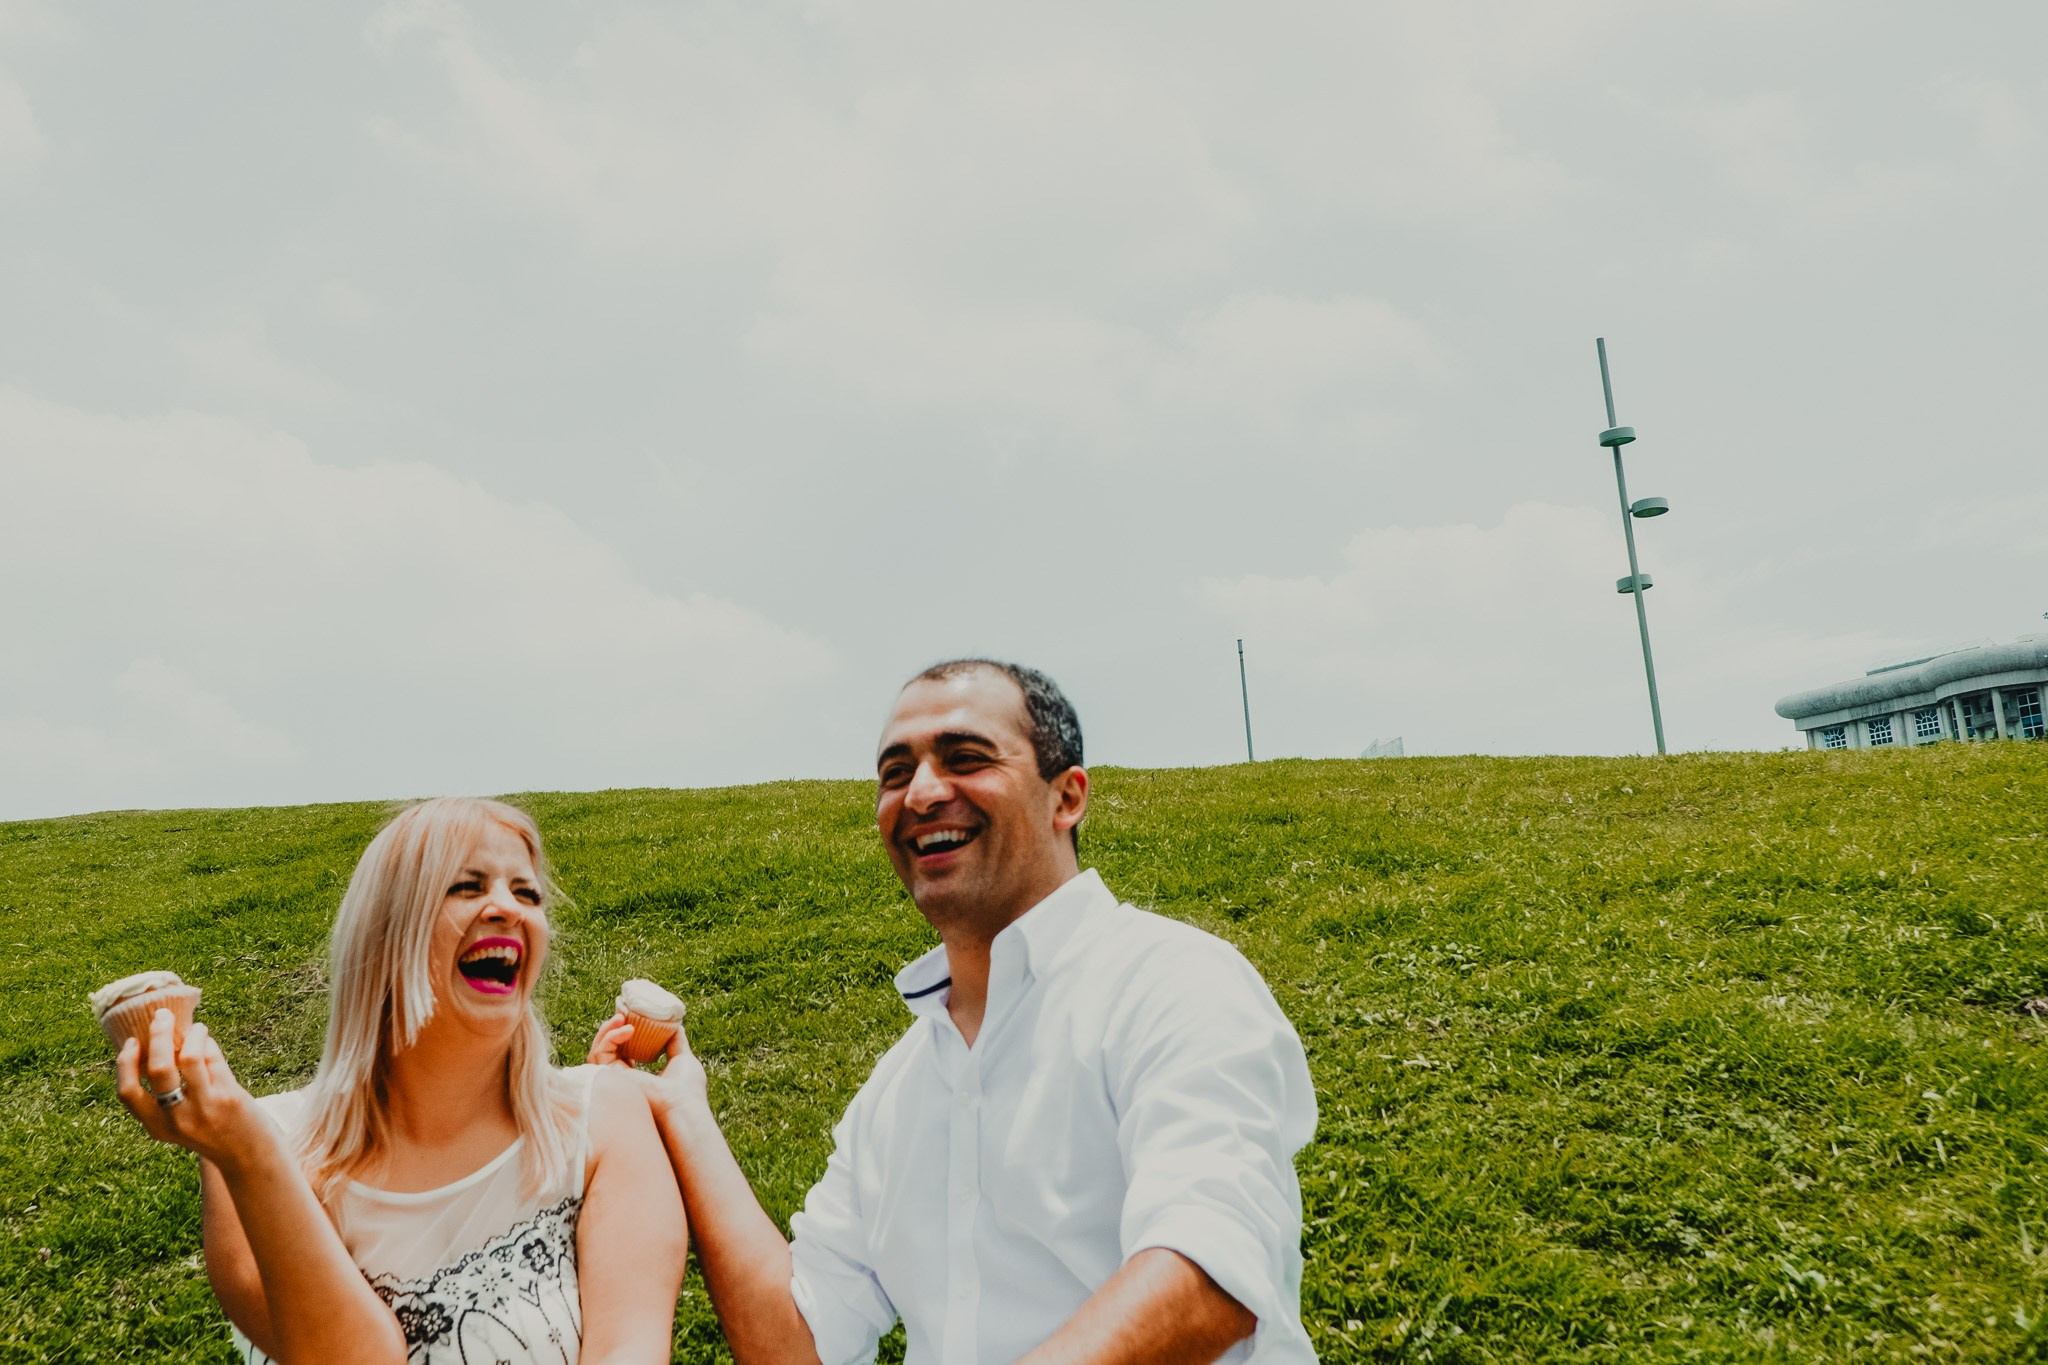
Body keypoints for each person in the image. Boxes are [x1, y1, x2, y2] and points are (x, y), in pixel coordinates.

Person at [592, 660, 1319, 1364]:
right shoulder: (895, 1093)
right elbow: (797, 1346)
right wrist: (683, 1110)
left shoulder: (1174, 983)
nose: (920, 793)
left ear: (1067, 797)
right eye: (894, 772)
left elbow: (1207, 1281)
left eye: (966, 757)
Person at [116, 797, 686, 1365]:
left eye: (526, 892)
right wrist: (253, 1156)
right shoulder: (252, 1144)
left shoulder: (605, 1116)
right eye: (466, 886)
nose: (508, 908)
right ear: (386, 932)